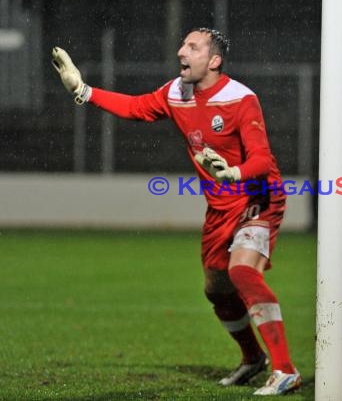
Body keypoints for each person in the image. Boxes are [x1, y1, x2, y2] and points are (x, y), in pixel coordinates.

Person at [51, 28, 301, 396]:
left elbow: (262, 159)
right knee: (217, 290)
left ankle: (285, 370)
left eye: (192, 46)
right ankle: (253, 358)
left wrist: (234, 173)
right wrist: (83, 90)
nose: (181, 50)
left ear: (214, 61)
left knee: (243, 272)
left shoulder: (241, 98)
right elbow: (136, 108)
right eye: (183, 44)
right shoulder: (175, 92)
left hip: (257, 198)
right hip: (220, 207)